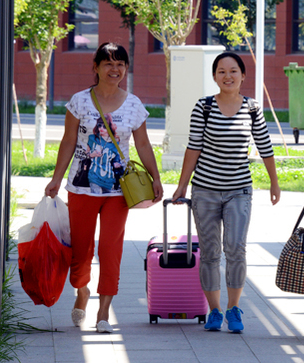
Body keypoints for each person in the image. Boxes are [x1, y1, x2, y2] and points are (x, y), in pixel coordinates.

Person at [45, 42, 164, 334]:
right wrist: (57, 178)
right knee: (81, 250)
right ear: (96, 67)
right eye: (109, 63)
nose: (115, 69)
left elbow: (144, 144)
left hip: (118, 191)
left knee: (111, 250)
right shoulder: (80, 101)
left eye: (121, 64)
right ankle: (82, 291)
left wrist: (156, 177)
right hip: (82, 187)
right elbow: (69, 142)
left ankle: (103, 311)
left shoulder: (134, 104)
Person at [171, 52, 281, 334]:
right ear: (214, 76)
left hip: (239, 190)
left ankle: (234, 308)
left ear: (243, 75)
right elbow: (193, 147)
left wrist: (274, 182)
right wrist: (183, 185)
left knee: (235, 248)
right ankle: (215, 311)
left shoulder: (253, 108)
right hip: (205, 190)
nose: (227, 76)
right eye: (221, 71)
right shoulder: (204, 107)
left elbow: (265, 146)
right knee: (209, 252)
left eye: (233, 71)